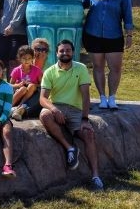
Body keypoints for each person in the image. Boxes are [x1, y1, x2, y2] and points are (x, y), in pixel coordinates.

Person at [39, 39, 104, 191]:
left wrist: (85, 119)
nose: (65, 53)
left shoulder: (81, 68)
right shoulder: (49, 72)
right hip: (57, 107)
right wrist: (54, 109)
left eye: (68, 50)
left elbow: (86, 96)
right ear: (56, 53)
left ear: (72, 52)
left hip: (76, 110)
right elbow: (42, 98)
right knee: (45, 115)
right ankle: (70, 148)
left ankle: (95, 177)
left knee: (88, 134)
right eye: (61, 51)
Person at [82, 0, 134, 110]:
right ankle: (102, 98)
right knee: (98, 67)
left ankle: (112, 98)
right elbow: (81, 4)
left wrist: (129, 34)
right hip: (93, 35)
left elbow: (128, 15)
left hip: (114, 36)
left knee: (115, 68)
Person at [9, 45, 42, 120]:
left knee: (31, 86)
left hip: (32, 94)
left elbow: (41, 85)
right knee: (23, 89)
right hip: (19, 92)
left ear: (32, 59)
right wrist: (18, 85)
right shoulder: (16, 70)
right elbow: (10, 85)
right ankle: (8, 108)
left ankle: (20, 106)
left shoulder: (37, 70)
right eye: (24, 58)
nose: (27, 60)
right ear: (19, 59)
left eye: (29, 58)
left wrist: (33, 84)